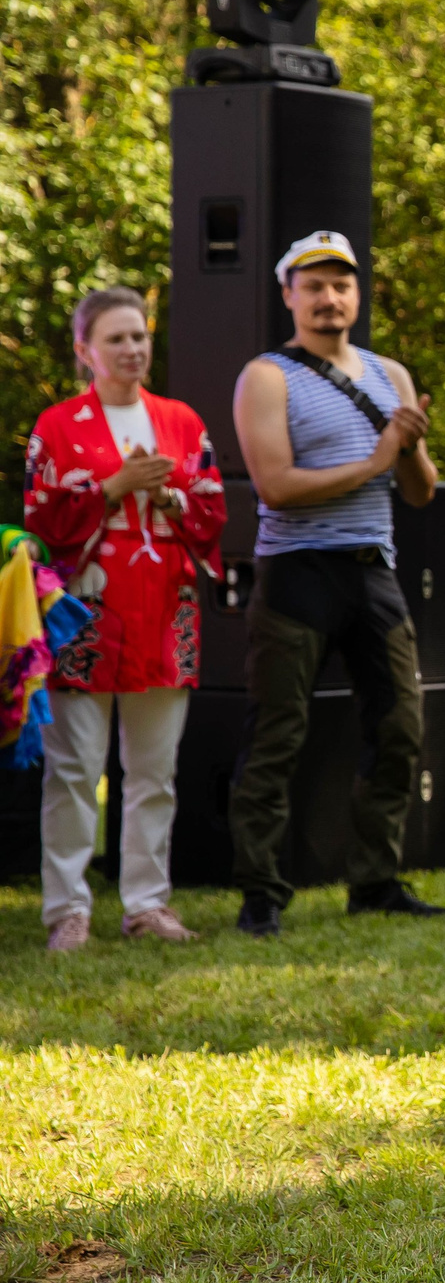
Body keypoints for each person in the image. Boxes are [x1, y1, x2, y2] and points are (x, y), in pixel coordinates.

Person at [229, 233, 445, 937]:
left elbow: (420, 492)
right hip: (297, 572)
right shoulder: (267, 376)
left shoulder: (393, 374)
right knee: (277, 734)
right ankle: (261, 893)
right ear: (287, 293)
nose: (330, 298)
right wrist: (379, 454)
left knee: (399, 727)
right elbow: (276, 486)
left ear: (359, 294)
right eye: (314, 285)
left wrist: (406, 450)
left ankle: (375, 881)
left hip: (371, 570)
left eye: (342, 285)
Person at [23, 289, 227, 950]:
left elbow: (212, 509)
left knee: (153, 770)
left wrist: (161, 490)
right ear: (85, 349)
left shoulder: (180, 421)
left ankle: (147, 903)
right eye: (117, 339)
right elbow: (42, 520)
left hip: (164, 611)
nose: (133, 349)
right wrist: (112, 487)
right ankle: (68, 909)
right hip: (85, 613)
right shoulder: (57, 425)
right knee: (76, 768)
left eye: (139, 336)